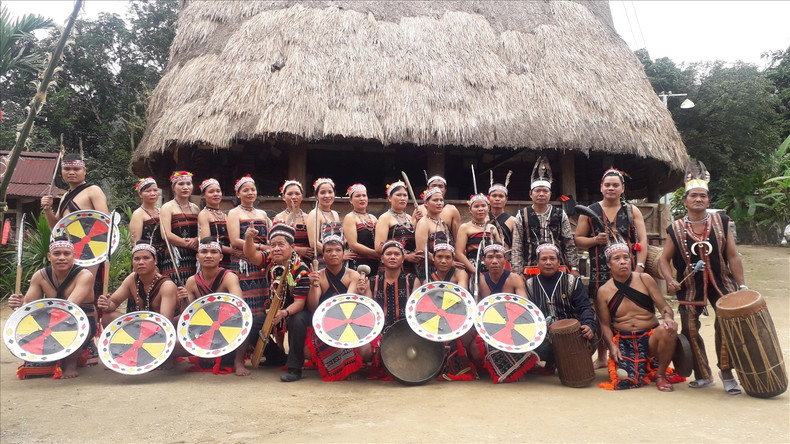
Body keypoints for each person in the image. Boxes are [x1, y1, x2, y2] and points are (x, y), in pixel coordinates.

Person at [658, 161, 745, 394]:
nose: (698, 199)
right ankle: (703, 375)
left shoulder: (722, 222)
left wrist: (742, 285)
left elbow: (733, 256)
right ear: (686, 201)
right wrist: (669, 279)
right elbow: (663, 259)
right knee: (689, 329)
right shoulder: (676, 228)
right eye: (693, 195)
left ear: (708, 200)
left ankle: (727, 373)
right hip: (689, 287)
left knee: (726, 324)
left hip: (722, 283)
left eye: (703, 196)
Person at [575, 167, 647, 369]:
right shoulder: (589, 211)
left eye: (615, 185)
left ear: (622, 188)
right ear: (601, 187)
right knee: (602, 314)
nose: (611, 188)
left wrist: (639, 269)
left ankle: (630, 354)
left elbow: (642, 241)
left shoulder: (632, 211)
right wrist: (594, 240)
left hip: (628, 272)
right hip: (600, 270)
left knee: (628, 311)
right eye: (607, 185)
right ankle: (602, 356)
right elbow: (578, 239)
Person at [8, 239, 97, 379]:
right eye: (57, 254)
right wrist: (19, 304)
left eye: (66, 254)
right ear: (49, 256)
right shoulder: (40, 276)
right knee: (25, 324)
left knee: (70, 323)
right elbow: (29, 307)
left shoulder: (85, 275)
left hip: (79, 320)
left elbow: (69, 308)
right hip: (51, 320)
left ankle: (70, 363)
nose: (61, 257)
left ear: (74, 256)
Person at [596, 243, 677, 392]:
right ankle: (641, 365)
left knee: (667, 330)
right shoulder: (604, 291)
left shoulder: (644, 279)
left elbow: (664, 307)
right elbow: (605, 325)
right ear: (608, 264)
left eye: (626, 258)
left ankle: (660, 375)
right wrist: (612, 346)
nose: (623, 262)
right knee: (625, 379)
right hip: (625, 341)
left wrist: (668, 319)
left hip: (650, 337)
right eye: (617, 259)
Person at [240, 223, 312, 382]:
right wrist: (248, 238)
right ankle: (276, 357)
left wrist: (284, 313)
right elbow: (251, 254)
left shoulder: (301, 270)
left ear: (292, 247)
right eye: (273, 245)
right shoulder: (270, 260)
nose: (276, 249)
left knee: (297, 321)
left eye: (281, 244)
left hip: (297, 311)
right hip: (276, 309)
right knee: (254, 325)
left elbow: (299, 304)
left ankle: (294, 368)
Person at [177, 237, 247, 376]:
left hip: (229, 325)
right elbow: (187, 315)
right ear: (197, 257)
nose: (208, 255)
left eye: (213, 252)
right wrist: (182, 300)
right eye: (204, 252)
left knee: (245, 322)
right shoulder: (192, 281)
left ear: (220, 257)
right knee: (175, 344)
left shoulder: (229, 277)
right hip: (204, 327)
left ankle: (238, 361)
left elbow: (239, 306)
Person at [306, 235, 371, 381]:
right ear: (323, 254)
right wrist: (313, 285)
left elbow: (347, 304)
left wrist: (363, 291)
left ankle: (350, 367)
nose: (333, 254)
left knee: (366, 350)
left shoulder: (353, 275)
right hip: (325, 324)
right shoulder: (319, 276)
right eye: (329, 251)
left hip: (349, 321)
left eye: (337, 250)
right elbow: (312, 306)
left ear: (344, 254)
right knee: (307, 351)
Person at [470, 243, 538, 383]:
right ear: (484, 260)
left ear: (505, 259)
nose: (494, 261)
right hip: (489, 326)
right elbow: (478, 310)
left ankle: (515, 369)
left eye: (499, 257)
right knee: (475, 350)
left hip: (514, 324)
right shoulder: (480, 281)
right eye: (490, 257)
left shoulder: (514, 279)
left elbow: (524, 307)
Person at [526, 244, 597, 371]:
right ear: (537, 263)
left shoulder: (572, 281)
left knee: (592, 336)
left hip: (571, 337)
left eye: (552, 259)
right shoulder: (529, 285)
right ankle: (552, 360)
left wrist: (589, 325)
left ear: (559, 262)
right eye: (544, 259)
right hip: (543, 339)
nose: (548, 262)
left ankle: (565, 360)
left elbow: (585, 307)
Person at [512, 156, 579, 279]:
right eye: (537, 191)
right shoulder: (522, 215)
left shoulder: (560, 214)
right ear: (531, 194)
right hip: (530, 268)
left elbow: (568, 242)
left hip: (558, 267)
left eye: (545, 191)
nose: (541, 194)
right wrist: (517, 272)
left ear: (550, 194)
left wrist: (574, 267)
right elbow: (517, 245)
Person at [97, 242, 179, 326]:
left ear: (155, 261)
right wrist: (107, 304)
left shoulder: (166, 286)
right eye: (136, 259)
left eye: (146, 258)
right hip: (142, 325)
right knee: (108, 318)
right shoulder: (132, 279)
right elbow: (114, 302)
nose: (141, 262)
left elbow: (165, 323)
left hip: (163, 327)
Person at [227, 175, 271, 317]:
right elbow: (234, 241)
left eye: (253, 189)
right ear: (238, 194)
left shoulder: (262, 213)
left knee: (264, 298)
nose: (250, 192)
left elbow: (268, 238)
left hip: (262, 262)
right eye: (245, 190)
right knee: (246, 301)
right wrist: (260, 247)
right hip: (244, 263)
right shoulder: (234, 213)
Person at [362, 240, 421, 328]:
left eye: (397, 254)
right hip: (379, 330)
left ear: (403, 259)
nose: (392, 257)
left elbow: (418, 311)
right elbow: (368, 311)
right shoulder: (372, 281)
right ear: (382, 258)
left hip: (407, 331)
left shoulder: (412, 280)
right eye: (388, 254)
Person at [41, 154, 109, 229]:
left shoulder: (93, 190)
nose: (71, 172)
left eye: (76, 169)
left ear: (84, 171)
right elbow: (56, 228)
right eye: (67, 169)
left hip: (92, 236)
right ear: (61, 171)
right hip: (67, 236)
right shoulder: (65, 197)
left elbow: (106, 222)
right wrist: (47, 209)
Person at [159, 171, 200, 289]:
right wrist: (188, 244)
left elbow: (201, 230)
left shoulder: (195, 208)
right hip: (176, 255)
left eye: (188, 183)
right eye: (181, 184)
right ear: (173, 187)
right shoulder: (167, 207)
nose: (185, 187)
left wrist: (197, 239)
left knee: (194, 287)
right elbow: (166, 234)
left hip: (194, 255)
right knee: (177, 288)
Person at [374, 181, 424, 276]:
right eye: (398, 195)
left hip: (410, 268)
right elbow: (379, 247)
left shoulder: (409, 218)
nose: (402, 198)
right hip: (391, 267)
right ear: (389, 198)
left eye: (405, 195)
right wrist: (406, 256)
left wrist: (418, 223)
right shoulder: (385, 218)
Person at [306, 178, 347, 268]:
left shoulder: (335, 214)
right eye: (322, 192)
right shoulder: (314, 214)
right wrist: (334, 255)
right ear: (316, 195)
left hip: (338, 260)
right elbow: (314, 243)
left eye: (330, 192)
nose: (327, 195)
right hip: (323, 260)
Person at [456, 194, 500, 276]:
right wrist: (474, 271)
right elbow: (459, 253)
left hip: (493, 269)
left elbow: (500, 250)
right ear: (470, 210)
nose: (480, 209)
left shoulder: (492, 228)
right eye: (476, 206)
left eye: (483, 206)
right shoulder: (465, 227)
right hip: (473, 268)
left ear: (488, 208)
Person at [198, 178, 236, 269]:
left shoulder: (224, 215)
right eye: (211, 192)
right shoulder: (204, 214)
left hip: (226, 258)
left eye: (218, 191)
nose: (216, 194)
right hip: (212, 258)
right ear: (203, 195)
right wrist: (232, 251)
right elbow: (206, 241)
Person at [342, 183, 379, 275]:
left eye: (364, 195)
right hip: (358, 262)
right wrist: (375, 253)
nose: (362, 198)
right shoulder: (350, 217)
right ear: (351, 200)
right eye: (358, 196)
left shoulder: (373, 218)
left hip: (375, 261)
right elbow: (353, 245)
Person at [129, 177, 166, 269]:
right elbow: (135, 241)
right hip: (147, 258)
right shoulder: (138, 214)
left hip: (165, 257)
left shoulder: (162, 211)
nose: (152, 193)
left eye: (155, 190)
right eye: (148, 191)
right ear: (140, 194)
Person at [415, 187, 452, 276]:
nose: (439, 203)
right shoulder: (423, 223)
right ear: (426, 203)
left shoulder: (442, 223)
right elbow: (422, 251)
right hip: (429, 271)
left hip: (444, 269)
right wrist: (446, 262)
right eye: (435, 200)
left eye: (441, 200)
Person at [273, 179, 313, 261]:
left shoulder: (308, 218)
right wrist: (297, 249)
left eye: (297, 194)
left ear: (302, 197)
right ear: (283, 197)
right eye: (290, 194)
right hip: (286, 260)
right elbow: (273, 242)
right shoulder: (279, 217)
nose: (294, 197)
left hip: (307, 260)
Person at [414, 175, 462, 241]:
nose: (437, 188)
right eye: (433, 186)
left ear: (445, 190)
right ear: (428, 188)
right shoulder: (419, 210)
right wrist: (417, 222)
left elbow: (457, 238)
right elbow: (412, 235)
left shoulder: (452, 210)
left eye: (441, 186)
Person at [487, 174, 516, 251]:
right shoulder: (483, 218)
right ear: (489, 198)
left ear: (506, 199)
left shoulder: (513, 221)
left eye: (501, 196)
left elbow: (516, 245)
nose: (497, 199)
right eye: (494, 196)